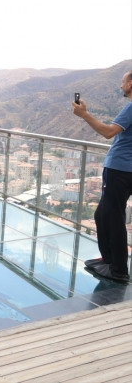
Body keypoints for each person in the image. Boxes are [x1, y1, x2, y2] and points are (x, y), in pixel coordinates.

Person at [73, 70, 132, 283]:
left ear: (131, 84)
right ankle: (109, 261)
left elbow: (108, 132)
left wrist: (84, 115)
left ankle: (118, 270)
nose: (120, 86)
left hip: (119, 170)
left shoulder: (131, 108)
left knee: (113, 218)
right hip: (125, 170)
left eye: (122, 81)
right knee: (102, 215)